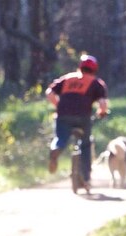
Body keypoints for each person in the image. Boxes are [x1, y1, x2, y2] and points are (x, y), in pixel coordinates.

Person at [45, 54, 109, 189]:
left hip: (63, 115)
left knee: (60, 138)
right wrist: (102, 112)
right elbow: (102, 103)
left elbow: (49, 93)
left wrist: (58, 105)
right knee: (85, 144)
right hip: (83, 117)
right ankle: (85, 177)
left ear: (80, 67)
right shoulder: (96, 83)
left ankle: (56, 148)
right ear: (94, 69)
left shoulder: (67, 78)